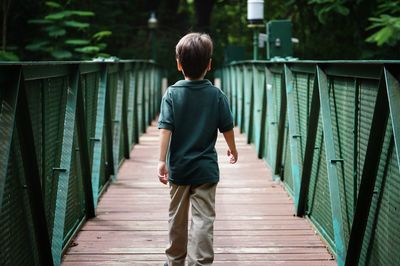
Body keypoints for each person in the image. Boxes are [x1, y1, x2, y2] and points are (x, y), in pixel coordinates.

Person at [157, 32, 238, 266]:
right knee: (204, 220)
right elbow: (227, 127)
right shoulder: (216, 94)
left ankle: (174, 260)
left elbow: (165, 129)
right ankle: (201, 262)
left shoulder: (172, 93)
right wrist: (232, 149)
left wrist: (161, 160)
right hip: (206, 170)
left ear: (179, 64)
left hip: (179, 169)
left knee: (177, 218)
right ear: (209, 65)